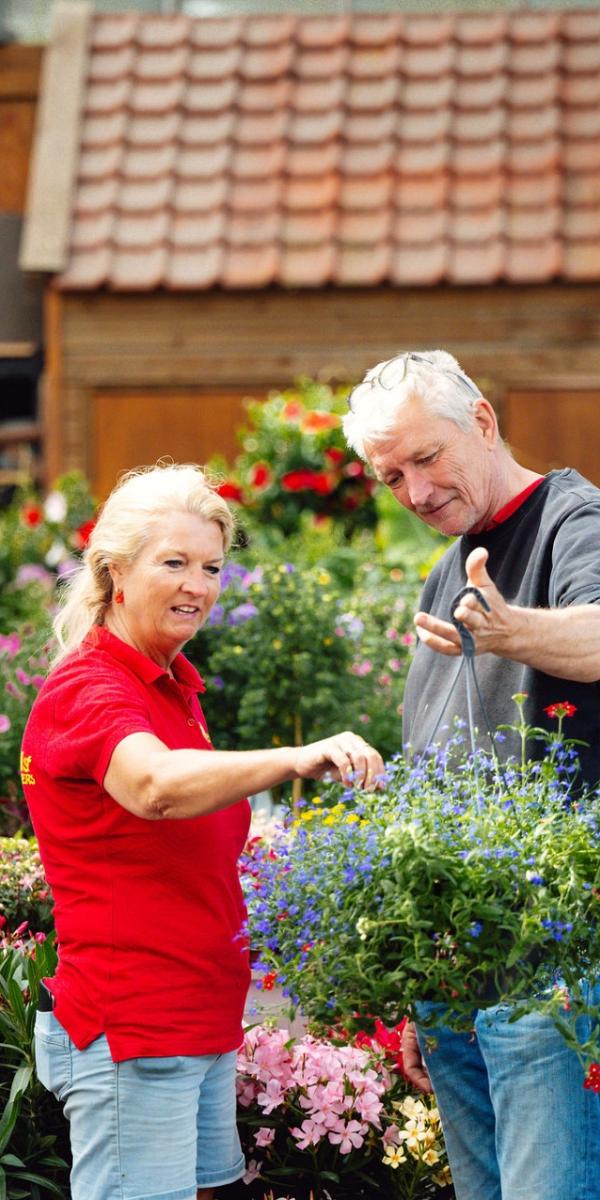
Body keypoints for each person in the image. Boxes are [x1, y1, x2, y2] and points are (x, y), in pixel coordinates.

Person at [21, 463, 383, 1200]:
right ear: (115, 571)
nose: (199, 584)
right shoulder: (92, 689)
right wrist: (293, 757)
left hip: (199, 1019)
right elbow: (151, 787)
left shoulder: (171, 687)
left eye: (212, 566)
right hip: (136, 1027)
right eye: (174, 563)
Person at [343, 349, 600, 1200]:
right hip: (462, 970)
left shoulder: (576, 519)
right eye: (391, 477)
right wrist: (423, 986)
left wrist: (511, 630)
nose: (415, 492)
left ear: (482, 422)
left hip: (552, 961)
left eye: (427, 458)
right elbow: (438, 767)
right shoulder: (451, 562)